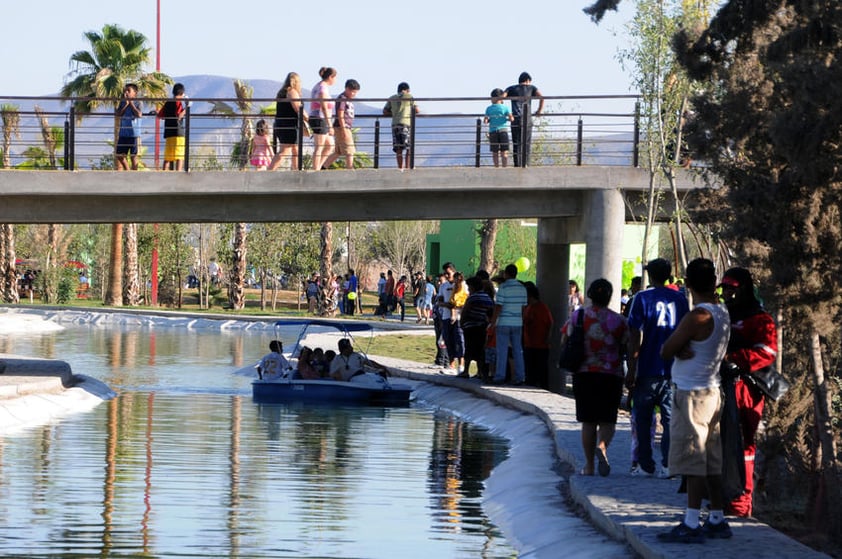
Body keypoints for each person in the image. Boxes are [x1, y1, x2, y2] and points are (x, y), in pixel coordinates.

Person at [658, 258, 732, 542]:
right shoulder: (722, 312)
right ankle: (716, 517)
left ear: (687, 283)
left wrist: (681, 346)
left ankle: (691, 522)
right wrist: (684, 345)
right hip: (712, 390)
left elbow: (666, 349)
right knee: (711, 460)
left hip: (692, 394)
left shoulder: (697, 316)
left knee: (693, 458)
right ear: (714, 282)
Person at [720, 267, 778, 518]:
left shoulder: (759, 318)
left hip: (746, 390)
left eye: (733, 287)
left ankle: (741, 505)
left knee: (744, 444)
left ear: (743, 288)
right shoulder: (721, 313)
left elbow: (767, 352)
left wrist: (735, 358)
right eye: (725, 287)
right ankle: (718, 501)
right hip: (719, 387)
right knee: (719, 445)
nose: (728, 292)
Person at [626, 258, 689, 478]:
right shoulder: (680, 299)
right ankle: (669, 463)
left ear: (650, 276)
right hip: (673, 369)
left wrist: (631, 369)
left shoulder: (642, 298)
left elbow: (634, 336)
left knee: (643, 418)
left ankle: (645, 464)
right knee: (671, 418)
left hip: (647, 368)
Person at [562, 279, 628, 476]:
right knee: (608, 419)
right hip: (611, 374)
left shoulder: (578, 316)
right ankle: (602, 445)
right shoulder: (618, 321)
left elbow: (565, 338)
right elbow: (627, 345)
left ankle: (589, 466)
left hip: (584, 374)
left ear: (589, 294)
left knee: (588, 421)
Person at [488, 263, 527, 385]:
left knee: (502, 350)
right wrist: (521, 320)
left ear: (506, 274)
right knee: (517, 350)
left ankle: (500, 376)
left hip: (504, 322)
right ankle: (520, 376)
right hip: (517, 323)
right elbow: (524, 308)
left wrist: (493, 322)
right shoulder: (522, 288)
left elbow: (499, 305)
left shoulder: (503, 287)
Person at [503, 72, 544, 167]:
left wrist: (505, 113)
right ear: (528, 80)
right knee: (527, 143)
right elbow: (542, 97)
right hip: (527, 118)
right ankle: (526, 164)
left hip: (515, 118)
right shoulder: (532, 88)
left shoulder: (511, 88)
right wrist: (539, 111)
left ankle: (517, 164)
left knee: (516, 143)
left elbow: (501, 97)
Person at [458, 275, 494, 380]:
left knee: (469, 348)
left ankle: (466, 371)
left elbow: (465, 311)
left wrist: (462, 322)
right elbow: (490, 312)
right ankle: (480, 372)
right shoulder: (487, 298)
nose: (469, 290)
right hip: (483, 327)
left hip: (471, 326)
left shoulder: (472, 297)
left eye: (469, 288)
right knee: (480, 349)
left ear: (473, 287)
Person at [269, 72, 307, 171]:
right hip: (289, 126)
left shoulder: (281, 92)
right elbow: (298, 108)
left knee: (295, 149)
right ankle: (269, 172)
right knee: (284, 151)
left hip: (282, 124)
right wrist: (309, 119)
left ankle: (296, 171)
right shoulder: (292, 92)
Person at [522, 281, 554, 389]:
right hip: (528, 344)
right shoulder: (527, 308)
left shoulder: (542, 307)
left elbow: (550, 323)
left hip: (541, 345)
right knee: (530, 371)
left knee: (542, 371)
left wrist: (548, 338)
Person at [383, 82, 419, 170]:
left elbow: (384, 111)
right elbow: (417, 110)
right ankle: (407, 167)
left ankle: (400, 168)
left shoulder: (392, 98)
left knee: (398, 148)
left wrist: (395, 114)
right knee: (408, 147)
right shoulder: (410, 97)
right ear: (408, 90)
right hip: (405, 124)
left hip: (395, 124)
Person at [309, 67, 338, 171]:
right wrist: (330, 125)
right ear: (330, 77)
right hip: (320, 118)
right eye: (335, 78)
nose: (335, 81)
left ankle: (319, 167)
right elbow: (324, 108)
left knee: (330, 145)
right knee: (319, 147)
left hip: (320, 118)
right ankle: (315, 170)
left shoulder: (320, 86)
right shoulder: (322, 89)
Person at [156, 82, 187, 171]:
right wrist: (186, 109)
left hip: (169, 133)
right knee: (179, 156)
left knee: (168, 156)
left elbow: (160, 115)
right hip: (178, 133)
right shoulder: (178, 103)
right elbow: (179, 115)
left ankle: (164, 173)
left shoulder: (168, 102)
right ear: (182, 93)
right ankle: (178, 174)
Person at [333, 79, 360, 169]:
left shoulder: (347, 99)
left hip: (343, 127)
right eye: (352, 91)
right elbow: (340, 114)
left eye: (355, 92)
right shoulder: (342, 99)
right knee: (350, 150)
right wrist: (343, 129)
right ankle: (349, 168)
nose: (353, 94)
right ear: (347, 89)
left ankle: (323, 167)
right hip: (343, 127)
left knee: (338, 152)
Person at [484, 88, 514, 167]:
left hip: (493, 131)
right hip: (503, 130)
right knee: (504, 152)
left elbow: (485, 121)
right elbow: (512, 118)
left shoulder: (489, 108)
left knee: (495, 152)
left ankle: (496, 168)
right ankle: (504, 167)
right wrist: (505, 118)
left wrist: (491, 119)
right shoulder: (505, 108)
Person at [115, 83, 142, 171]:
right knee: (119, 154)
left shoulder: (138, 102)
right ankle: (128, 170)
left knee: (133, 156)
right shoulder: (123, 102)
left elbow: (139, 114)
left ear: (135, 93)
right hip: (123, 133)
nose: (126, 92)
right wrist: (126, 104)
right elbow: (118, 114)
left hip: (133, 134)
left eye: (128, 91)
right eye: (125, 91)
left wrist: (131, 103)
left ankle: (134, 174)